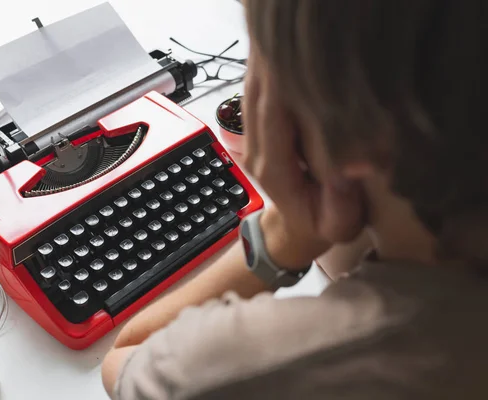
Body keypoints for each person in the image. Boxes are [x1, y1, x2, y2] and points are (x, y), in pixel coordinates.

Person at [102, 0, 488, 398]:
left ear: (354, 138)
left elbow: (129, 356)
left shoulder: (250, 367)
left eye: (263, 70)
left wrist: (283, 236)